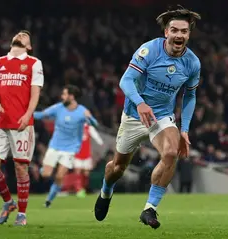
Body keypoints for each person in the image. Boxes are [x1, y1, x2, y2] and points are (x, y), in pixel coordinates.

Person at [94, 5, 201, 229]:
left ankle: (149, 208)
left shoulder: (192, 63)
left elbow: (190, 96)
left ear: (189, 34)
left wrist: (185, 129)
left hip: (162, 117)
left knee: (171, 152)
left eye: (184, 31)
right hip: (134, 115)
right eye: (174, 30)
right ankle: (106, 191)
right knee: (118, 168)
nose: (179, 35)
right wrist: (140, 103)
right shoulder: (149, 51)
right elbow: (125, 80)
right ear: (166, 32)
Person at [0, 30, 44, 226]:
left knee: (21, 167)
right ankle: (8, 203)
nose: (22, 34)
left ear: (29, 46)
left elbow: (35, 93)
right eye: (20, 33)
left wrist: (28, 115)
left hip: (21, 123)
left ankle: (22, 213)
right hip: (0, 121)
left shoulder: (34, 63)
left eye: (27, 35)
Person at [33, 85, 98, 208]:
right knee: (46, 175)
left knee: (59, 176)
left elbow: (95, 124)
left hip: (70, 149)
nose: (62, 97)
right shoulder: (58, 108)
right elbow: (42, 115)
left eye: (64, 94)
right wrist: (27, 114)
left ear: (71, 96)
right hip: (55, 146)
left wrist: (90, 118)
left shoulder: (82, 111)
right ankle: (43, 170)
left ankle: (48, 201)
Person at [73, 123, 104, 197]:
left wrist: (101, 143)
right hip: (77, 154)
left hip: (86, 155)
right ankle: (78, 190)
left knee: (86, 174)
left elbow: (96, 136)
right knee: (77, 171)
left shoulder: (89, 128)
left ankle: (84, 189)